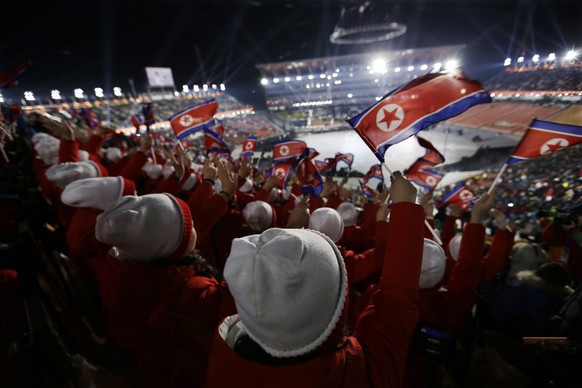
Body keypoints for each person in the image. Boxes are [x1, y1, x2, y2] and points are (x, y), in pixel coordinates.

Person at [204, 171, 426, 388]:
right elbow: (396, 299)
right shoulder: (357, 373)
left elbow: (270, 277)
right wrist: (405, 209)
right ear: (338, 305)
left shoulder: (218, 355)